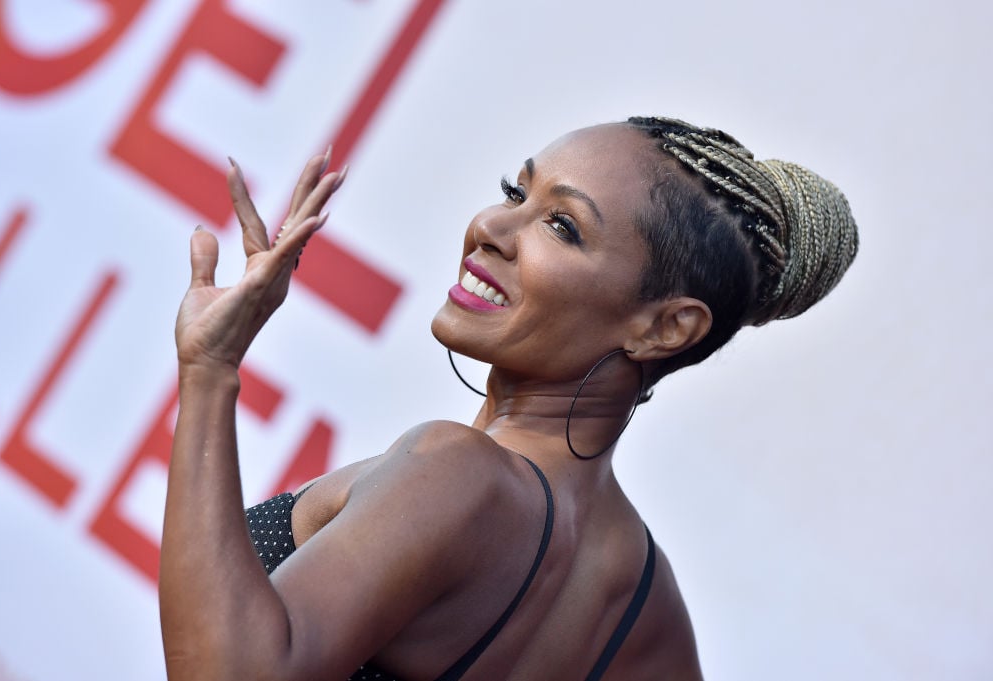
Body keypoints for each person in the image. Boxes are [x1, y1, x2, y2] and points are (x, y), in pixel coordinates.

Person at [160, 117, 858, 681]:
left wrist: (211, 369)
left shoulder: (456, 472)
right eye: (515, 193)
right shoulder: (649, 611)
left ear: (665, 328)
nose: (490, 228)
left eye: (562, 226)